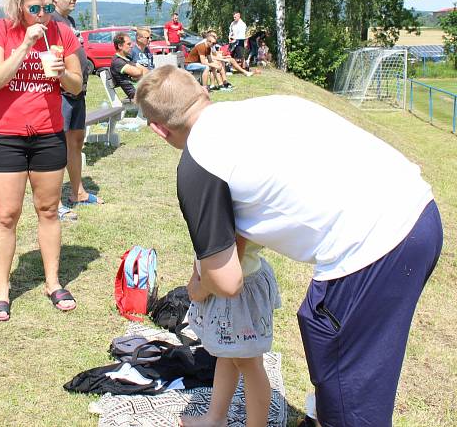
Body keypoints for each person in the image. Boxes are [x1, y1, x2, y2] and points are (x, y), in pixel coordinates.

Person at [135, 66, 442, 426]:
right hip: (419, 211)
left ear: (159, 129)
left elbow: (227, 281)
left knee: (350, 392)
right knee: (337, 355)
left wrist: (196, 287)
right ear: (203, 89)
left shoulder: (199, 161)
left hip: (372, 247)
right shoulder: (265, 106)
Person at [0, 0, 83, 322]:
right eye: (34, 8)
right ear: (19, 5)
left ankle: (53, 283)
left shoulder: (61, 32)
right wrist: (24, 45)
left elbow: (76, 85)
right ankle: (1, 291)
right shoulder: (0, 31)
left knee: (48, 210)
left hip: (47, 133)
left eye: (46, 8)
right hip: (7, 136)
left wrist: (61, 74)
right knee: (6, 216)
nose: (42, 15)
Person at [184, 237, 280, 427]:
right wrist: (197, 273)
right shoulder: (217, 207)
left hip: (238, 291)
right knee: (228, 355)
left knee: (249, 363)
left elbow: (233, 256)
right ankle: (216, 417)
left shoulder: (231, 208)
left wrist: (201, 288)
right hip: (224, 283)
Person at [52, 0, 103, 216]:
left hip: (77, 93)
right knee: (57, 147)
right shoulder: (51, 22)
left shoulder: (69, 21)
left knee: (75, 142)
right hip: (60, 94)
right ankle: (55, 203)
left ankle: (77, 192)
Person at [109, 32, 149, 102]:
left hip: (141, 88)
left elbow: (147, 71)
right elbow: (138, 72)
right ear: (120, 46)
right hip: (136, 93)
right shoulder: (118, 62)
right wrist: (138, 75)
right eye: (128, 44)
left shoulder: (127, 58)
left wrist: (137, 75)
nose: (131, 46)